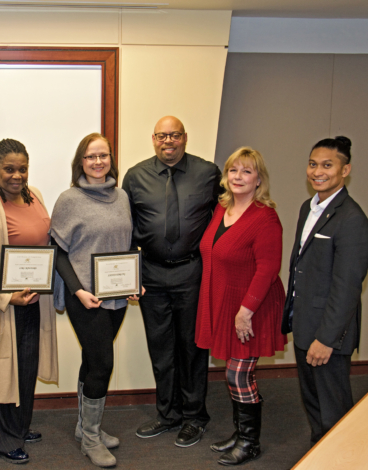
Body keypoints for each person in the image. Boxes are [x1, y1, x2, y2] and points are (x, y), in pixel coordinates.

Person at [121, 116, 220, 447]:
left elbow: (225, 218)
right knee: (161, 349)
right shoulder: (135, 177)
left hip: (192, 272)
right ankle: (169, 414)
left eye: (174, 135)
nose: (168, 141)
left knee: (191, 347)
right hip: (151, 275)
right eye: (162, 135)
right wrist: (129, 277)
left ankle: (195, 416)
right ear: (153, 139)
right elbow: (125, 230)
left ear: (185, 138)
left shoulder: (208, 173)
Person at [50, 133, 143, 467]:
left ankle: (83, 427)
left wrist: (136, 281)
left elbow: (128, 245)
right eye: (91, 157)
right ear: (81, 162)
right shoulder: (69, 199)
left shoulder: (121, 197)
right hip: (85, 296)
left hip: (116, 296)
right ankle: (91, 437)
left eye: (103, 156)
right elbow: (58, 253)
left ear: (111, 160)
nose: (98, 162)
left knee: (92, 360)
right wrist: (78, 290)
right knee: (103, 363)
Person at [0, 139, 59, 464]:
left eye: (22, 169)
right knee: (1, 371)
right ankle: (3, 439)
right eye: (9, 169)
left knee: (26, 367)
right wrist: (7, 296)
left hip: (33, 303)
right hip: (1, 308)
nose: (17, 175)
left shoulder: (36, 197)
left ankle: (19, 426)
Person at [195, 147, 287, 465]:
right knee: (234, 373)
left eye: (246, 171)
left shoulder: (265, 217)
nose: (238, 177)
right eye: (234, 170)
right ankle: (239, 434)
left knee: (238, 375)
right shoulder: (222, 210)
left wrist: (245, 311)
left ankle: (250, 442)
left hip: (253, 309)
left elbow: (268, 269)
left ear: (258, 179)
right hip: (226, 304)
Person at [282, 136, 368, 445]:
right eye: (312, 164)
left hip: (327, 336)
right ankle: (320, 455)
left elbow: (346, 290)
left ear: (345, 170)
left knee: (334, 413)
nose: (317, 172)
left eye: (327, 165)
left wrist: (326, 339)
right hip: (306, 327)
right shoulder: (308, 208)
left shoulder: (352, 220)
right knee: (315, 407)